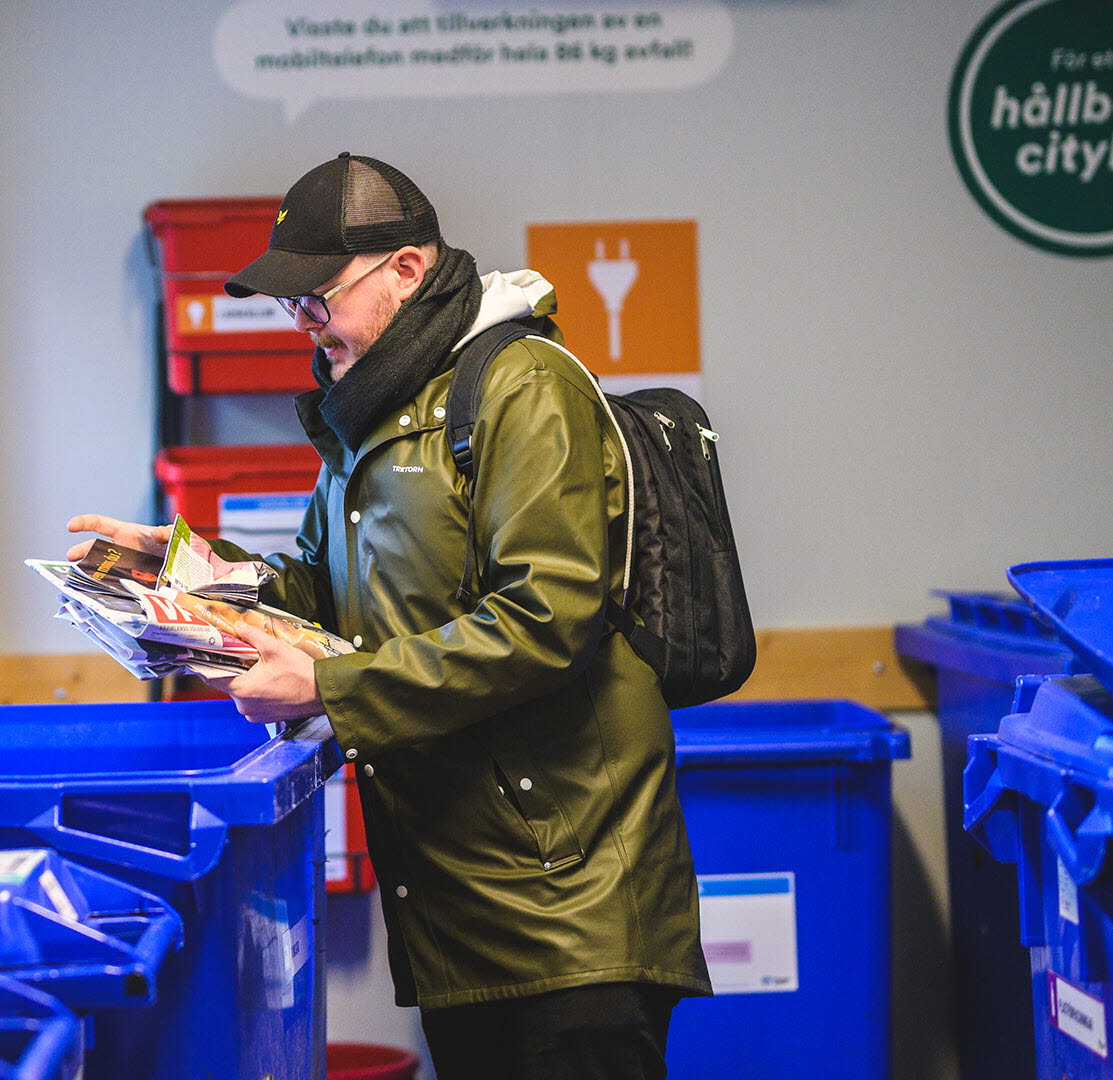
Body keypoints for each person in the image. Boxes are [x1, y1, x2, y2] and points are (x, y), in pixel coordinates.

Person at [66, 152, 710, 1079]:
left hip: (567, 908)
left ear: (406, 269)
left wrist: (329, 686)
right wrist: (177, 567)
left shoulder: (524, 385)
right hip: (463, 905)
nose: (303, 322)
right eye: (291, 303)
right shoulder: (369, 414)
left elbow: (546, 620)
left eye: (318, 296)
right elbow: (320, 595)